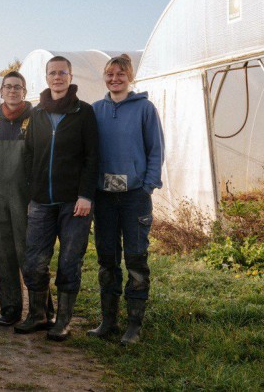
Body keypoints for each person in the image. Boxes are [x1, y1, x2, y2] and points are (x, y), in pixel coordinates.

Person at [16, 56, 98, 341]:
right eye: (53, 73)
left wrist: (86, 194)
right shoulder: (37, 114)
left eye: (63, 72)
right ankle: (38, 315)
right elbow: (28, 153)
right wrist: (32, 187)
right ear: (47, 77)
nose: (58, 77)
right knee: (34, 262)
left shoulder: (83, 112)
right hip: (41, 201)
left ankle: (62, 321)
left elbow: (92, 157)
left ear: (70, 76)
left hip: (74, 203)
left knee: (68, 262)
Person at [89, 54, 163, 345]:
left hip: (134, 197)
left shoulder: (145, 109)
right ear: (105, 77)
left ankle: (134, 324)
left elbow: (155, 149)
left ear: (129, 76)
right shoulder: (96, 110)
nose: (115, 78)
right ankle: (108, 320)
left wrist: (147, 186)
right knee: (107, 259)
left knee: (135, 259)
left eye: (121, 74)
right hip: (104, 197)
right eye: (110, 74)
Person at [0, 71, 32, 326]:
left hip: (24, 195)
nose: (13, 91)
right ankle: (10, 307)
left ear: (24, 92)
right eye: (8, 87)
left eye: (18, 87)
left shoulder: (35, 118)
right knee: (3, 253)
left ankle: (40, 308)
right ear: (1, 91)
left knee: (28, 252)